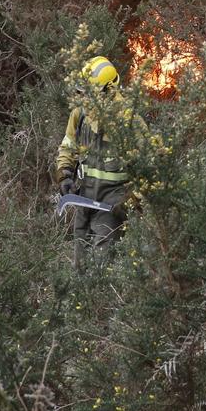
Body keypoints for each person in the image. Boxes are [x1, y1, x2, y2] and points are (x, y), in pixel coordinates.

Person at [55, 56, 138, 262]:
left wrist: (132, 199)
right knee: (80, 260)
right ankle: (81, 293)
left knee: (103, 262)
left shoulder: (129, 121)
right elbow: (68, 147)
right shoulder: (79, 115)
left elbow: (150, 166)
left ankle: (107, 294)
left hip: (113, 203)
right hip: (85, 197)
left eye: (90, 93)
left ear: (108, 91)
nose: (84, 98)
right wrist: (64, 174)